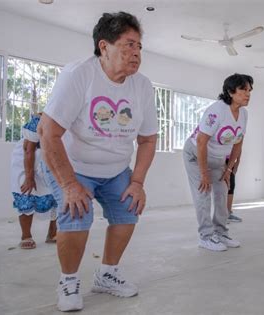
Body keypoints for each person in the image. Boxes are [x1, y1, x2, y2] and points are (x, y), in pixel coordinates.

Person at [38, 12, 158, 312]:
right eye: (129, 45)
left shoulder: (142, 86)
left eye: (139, 47)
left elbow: (147, 139)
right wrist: (69, 185)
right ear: (104, 47)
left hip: (115, 167)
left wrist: (138, 182)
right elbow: (48, 133)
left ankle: (107, 274)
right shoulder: (79, 75)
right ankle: (68, 280)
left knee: (128, 209)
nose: (136, 53)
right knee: (77, 213)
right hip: (71, 163)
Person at [183, 73, 253, 251]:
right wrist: (204, 173)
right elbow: (201, 142)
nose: (248, 94)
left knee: (222, 192)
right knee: (203, 193)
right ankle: (205, 237)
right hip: (196, 155)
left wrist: (229, 170)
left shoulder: (243, 114)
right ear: (230, 91)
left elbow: (238, 143)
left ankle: (221, 233)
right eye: (243, 89)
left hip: (217, 158)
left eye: (250, 90)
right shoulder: (217, 110)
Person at [10, 113, 57, 249]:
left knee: (57, 194)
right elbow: (28, 149)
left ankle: (52, 233)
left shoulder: (72, 121)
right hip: (26, 157)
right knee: (26, 192)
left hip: (49, 157)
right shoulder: (40, 119)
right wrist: (29, 177)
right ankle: (26, 236)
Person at [226, 156, 242, 223]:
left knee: (231, 187)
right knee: (223, 187)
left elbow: (238, 156)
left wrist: (235, 167)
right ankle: (222, 215)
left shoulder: (237, 146)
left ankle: (228, 213)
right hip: (220, 161)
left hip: (231, 162)